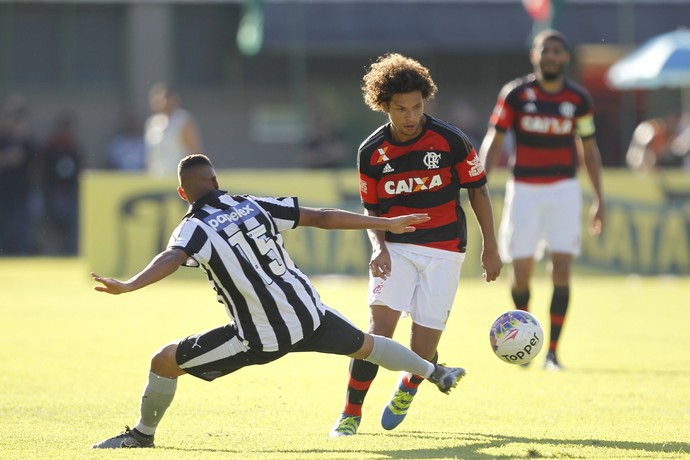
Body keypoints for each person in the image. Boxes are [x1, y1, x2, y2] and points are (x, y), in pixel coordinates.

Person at [91, 153, 466, 449]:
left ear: (181, 193)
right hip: (310, 316)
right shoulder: (254, 204)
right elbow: (322, 217)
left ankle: (141, 436)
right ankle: (435, 372)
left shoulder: (193, 228)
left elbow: (171, 258)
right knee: (369, 347)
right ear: (217, 182)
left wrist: (129, 285)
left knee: (163, 361)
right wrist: (385, 224)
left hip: (260, 337)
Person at [329, 53, 503, 437]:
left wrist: (490, 246)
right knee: (376, 335)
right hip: (398, 249)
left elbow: (479, 192)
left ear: (426, 101)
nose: (410, 116)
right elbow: (371, 207)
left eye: (417, 107)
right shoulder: (370, 151)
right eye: (400, 109)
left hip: (445, 251)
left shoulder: (451, 140)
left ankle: (409, 385)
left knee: (422, 349)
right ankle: (349, 414)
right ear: (383, 106)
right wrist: (379, 246)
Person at [478, 29, 605, 371]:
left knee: (562, 268)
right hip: (525, 191)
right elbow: (495, 138)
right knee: (521, 273)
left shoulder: (578, 100)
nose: (550, 56)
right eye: (544, 50)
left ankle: (552, 352)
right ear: (534, 55)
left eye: (556, 51)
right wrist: (478, 181)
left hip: (564, 189)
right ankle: (526, 340)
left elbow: (589, 149)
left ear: (565, 58)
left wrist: (599, 198)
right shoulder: (516, 94)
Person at [37, 111, 82, 255]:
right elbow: (44, 170)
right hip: (56, 191)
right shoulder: (51, 147)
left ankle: (69, 251)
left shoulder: (73, 147)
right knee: (57, 221)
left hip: (69, 191)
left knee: (71, 223)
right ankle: (62, 250)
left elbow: (79, 169)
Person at [144, 82, 201, 175]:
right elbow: (150, 153)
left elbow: (194, 150)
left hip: (178, 174)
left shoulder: (182, 120)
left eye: (166, 97)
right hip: (157, 174)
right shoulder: (152, 122)